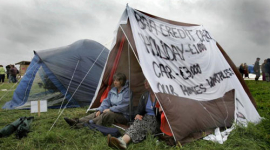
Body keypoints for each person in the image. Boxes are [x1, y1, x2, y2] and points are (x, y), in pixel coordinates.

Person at [107, 80, 161, 149]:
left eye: (147, 81)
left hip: (157, 120)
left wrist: (161, 111)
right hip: (146, 117)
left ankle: (121, 141)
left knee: (141, 125)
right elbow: (139, 110)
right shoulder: (145, 95)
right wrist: (137, 114)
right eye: (144, 82)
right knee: (138, 122)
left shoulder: (160, 96)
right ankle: (122, 142)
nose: (145, 83)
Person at [64, 72, 132, 127]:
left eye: (117, 80)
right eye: (114, 80)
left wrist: (111, 109)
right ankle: (77, 121)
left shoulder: (127, 92)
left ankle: (84, 125)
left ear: (122, 81)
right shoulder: (113, 90)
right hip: (112, 111)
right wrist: (100, 110)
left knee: (108, 114)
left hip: (123, 116)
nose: (114, 82)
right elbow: (106, 102)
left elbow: (124, 106)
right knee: (97, 113)